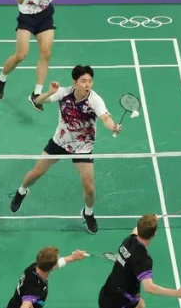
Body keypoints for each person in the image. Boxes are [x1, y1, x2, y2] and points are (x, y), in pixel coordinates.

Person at [9, 66, 121, 234]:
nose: (87, 84)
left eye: (90, 81)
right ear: (75, 82)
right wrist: (50, 92)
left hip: (83, 147)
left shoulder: (95, 100)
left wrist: (112, 127)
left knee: (89, 187)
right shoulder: (63, 93)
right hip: (60, 142)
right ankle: (21, 191)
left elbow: (105, 117)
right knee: (35, 174)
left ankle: (88, 213)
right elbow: (38, 101)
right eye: (83, 81)